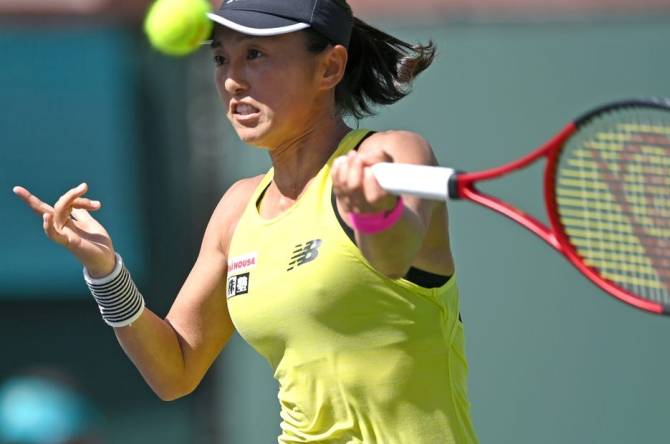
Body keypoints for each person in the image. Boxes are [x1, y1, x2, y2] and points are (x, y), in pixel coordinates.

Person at [13, 0, 479, 442]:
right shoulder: (237, 210)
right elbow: (173, 371)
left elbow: (395, 258)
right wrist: (105, 271)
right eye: (220, 59)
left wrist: (373, 214)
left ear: (329, 67)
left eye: (255, 54)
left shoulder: (392, 155)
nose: (233, 80)